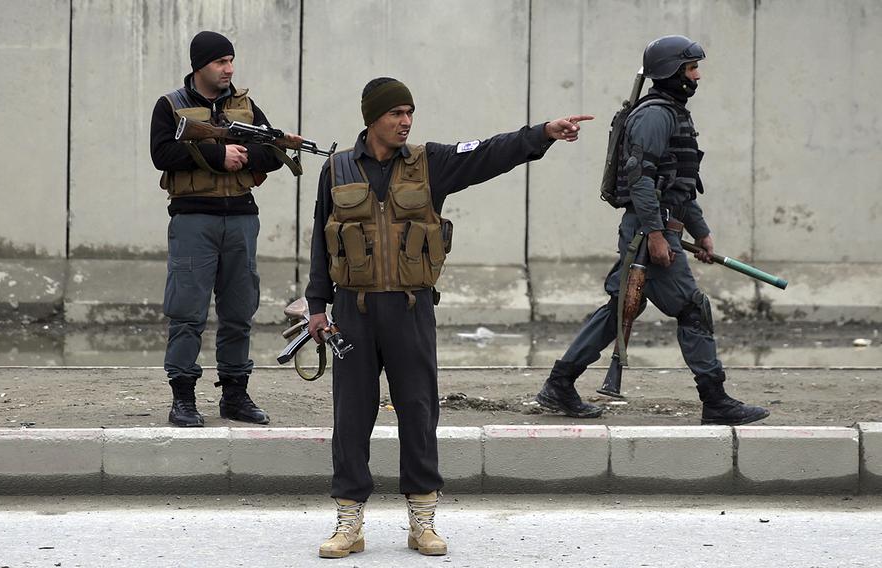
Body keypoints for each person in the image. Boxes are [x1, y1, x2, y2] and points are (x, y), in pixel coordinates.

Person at [305, 76, 592, 558]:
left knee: (418, 412)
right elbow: (319, 238)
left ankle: (422, 520)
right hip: (352, 311)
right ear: (371, 118)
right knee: (350, 418)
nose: (406, 121)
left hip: (411, 309)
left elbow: (487, 154)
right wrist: (316, 305)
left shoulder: (428, 163)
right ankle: (349, 522)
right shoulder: (336, 169)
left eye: (409, 112)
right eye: (396, 113)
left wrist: (542, 132)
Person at [535, 35, 770, 427]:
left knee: (620, 308)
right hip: (648, 232)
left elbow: (677, 184)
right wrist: (658, 235)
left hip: (656, 226)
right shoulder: (655, 115)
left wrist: (701, 231)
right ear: (673, 72)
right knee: (692, 308)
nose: (697, 76)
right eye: (692, 68)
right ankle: (715, 401)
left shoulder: (672, 113)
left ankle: (560, 384)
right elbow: (640, 179)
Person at [150, 31, 300, 427]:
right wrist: (218, 154)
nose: (228, 69)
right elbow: (161, 153)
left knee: (238, 311)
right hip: (193, 219)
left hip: (241, 219)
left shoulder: (245, 106)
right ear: (200, 65)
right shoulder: (171, 105)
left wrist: (245, 153)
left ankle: (235, 395)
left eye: (231, 61)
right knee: (187, 312)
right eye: (220, 62)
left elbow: (273, 151)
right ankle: (183, 398)